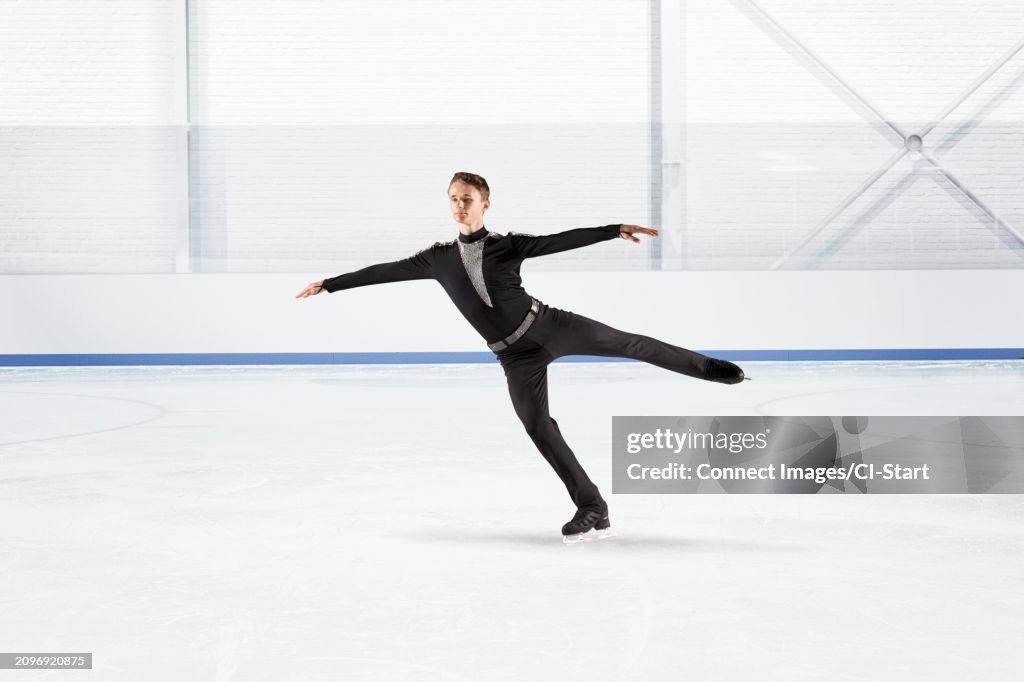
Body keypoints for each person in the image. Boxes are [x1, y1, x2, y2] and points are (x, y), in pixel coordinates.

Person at [296, 172, 746, 541]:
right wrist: (332, 283)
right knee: (537, 426)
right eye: (453, 198)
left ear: (485, 204)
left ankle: (709, 368)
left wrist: (611, 231)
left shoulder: (507, 245)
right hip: (515, 358)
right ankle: (593, 507)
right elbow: (385, 271)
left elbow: (558, 241)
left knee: (630, 343)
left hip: (550, 326)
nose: (459, 205)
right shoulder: (436, 259)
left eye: (467, 198)